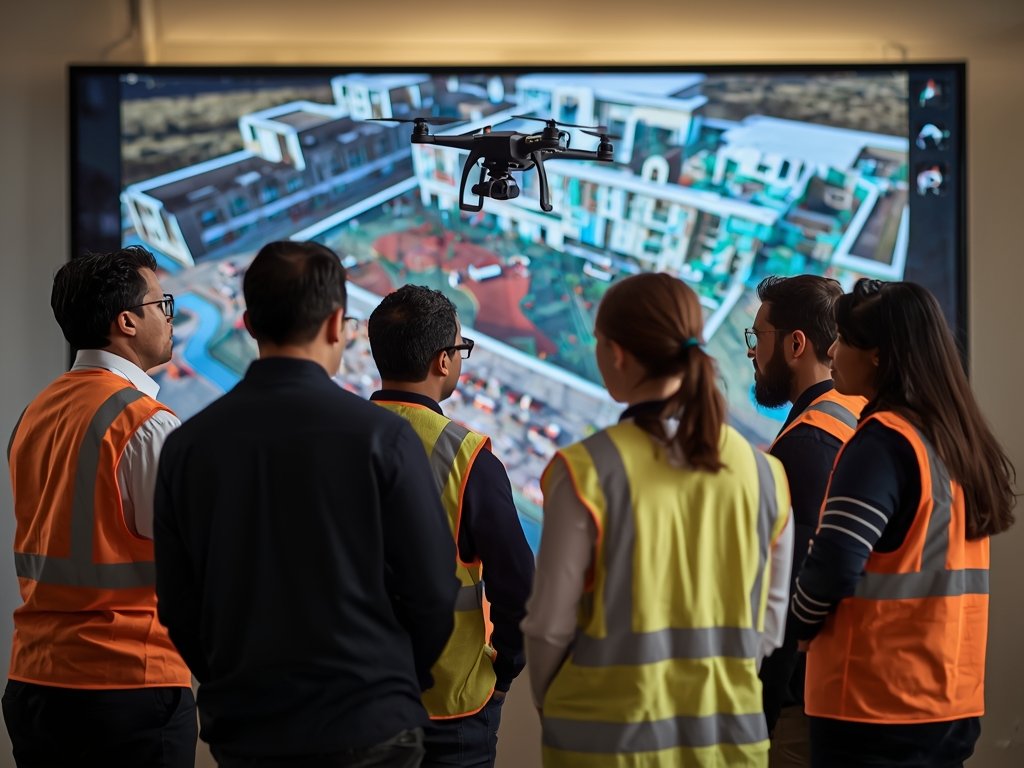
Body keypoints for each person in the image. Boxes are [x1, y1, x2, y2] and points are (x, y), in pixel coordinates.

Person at [153, 241, 460, 767]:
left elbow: (180, 605)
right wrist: (392, 684)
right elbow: (433, 591)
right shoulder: (383, 438)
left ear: (248, 322)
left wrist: (235, 684)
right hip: (370, 725)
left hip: (249, 731)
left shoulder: (187, 446)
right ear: (338, 323)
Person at [523, 272, 794, 767]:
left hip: (605, 748)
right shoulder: (767, 476)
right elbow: (768, 628)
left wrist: (552, 701)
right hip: (730, 745)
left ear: (617, 354)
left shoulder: (584, 472)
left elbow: (547, 628)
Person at [790, 278, 1017, 768]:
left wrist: (800, 623)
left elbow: (833, 564)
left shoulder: (882, 442)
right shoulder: (955, 441)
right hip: (949, 701)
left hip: (875, 708)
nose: (831, 351)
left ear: (876, 355)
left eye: (844, 339)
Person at [3, 246, 196, 767]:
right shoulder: (145, 422)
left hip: (35, 682)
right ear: (127, 321)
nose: (170, 318)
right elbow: (202, 560)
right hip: (128, 686)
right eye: (164, 305)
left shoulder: (33, 414)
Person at [366, 285, 535, 768]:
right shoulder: (469, 458)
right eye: (461, 349)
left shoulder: (334, 439)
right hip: (449, 708)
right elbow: (519, 589)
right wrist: (503, 670)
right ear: (443, 361)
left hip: (355, 699)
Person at [746, 275, 866, 766]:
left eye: (760, 337)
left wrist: (762, 708)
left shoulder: (807, 441)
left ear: (796, 344)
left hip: (805, 701)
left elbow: (791, 595)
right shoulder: (856, 408)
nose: (752, 352)